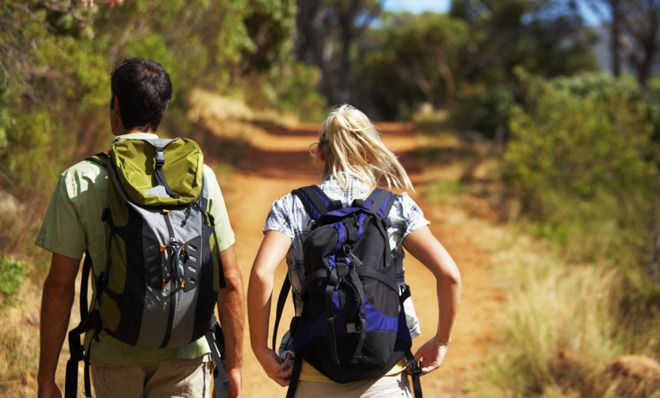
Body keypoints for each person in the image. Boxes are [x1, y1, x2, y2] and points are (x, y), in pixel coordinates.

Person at [36, 58, 244, 398]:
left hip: (114, 355)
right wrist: (233, 366)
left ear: (115, 106)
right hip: (187, 354)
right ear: (161, 110)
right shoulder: (200, 178)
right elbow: (231, 281)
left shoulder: (80, 180)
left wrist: (46, 378)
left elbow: (60, 285)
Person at [247, 104, 462, 397]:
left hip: (314, 373)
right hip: (384, 375)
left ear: (320, 153)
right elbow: (449, 275)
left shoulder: (292, 206)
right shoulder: (395, 207)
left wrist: (261, 351)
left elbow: (261, 273)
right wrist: (442, 341)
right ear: (371, 154)